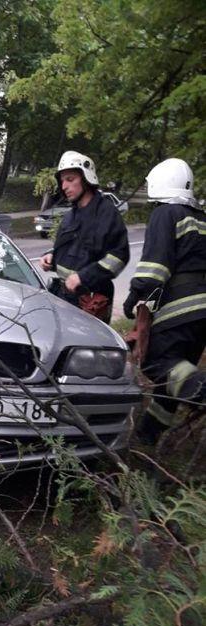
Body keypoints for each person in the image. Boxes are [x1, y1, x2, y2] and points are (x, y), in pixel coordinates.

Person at [123, 158, 206, 444]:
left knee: (156, 361)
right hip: (202, 317)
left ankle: (201, 388)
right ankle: (148, 435)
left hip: (182, 308)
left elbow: (154, 269)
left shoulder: (165, 213)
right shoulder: (201, 219)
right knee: (173, 378)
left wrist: (134, 296)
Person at [39, 151, 130, 322]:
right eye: (62, 181)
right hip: (64, 297)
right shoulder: (70, 216)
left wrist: (83, 277)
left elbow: (119, 256)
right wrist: (51, 257)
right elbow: (70, 249)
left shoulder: (106, 213)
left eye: (70, 179)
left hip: (91, 301)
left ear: (87, 178)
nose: (64, 186)